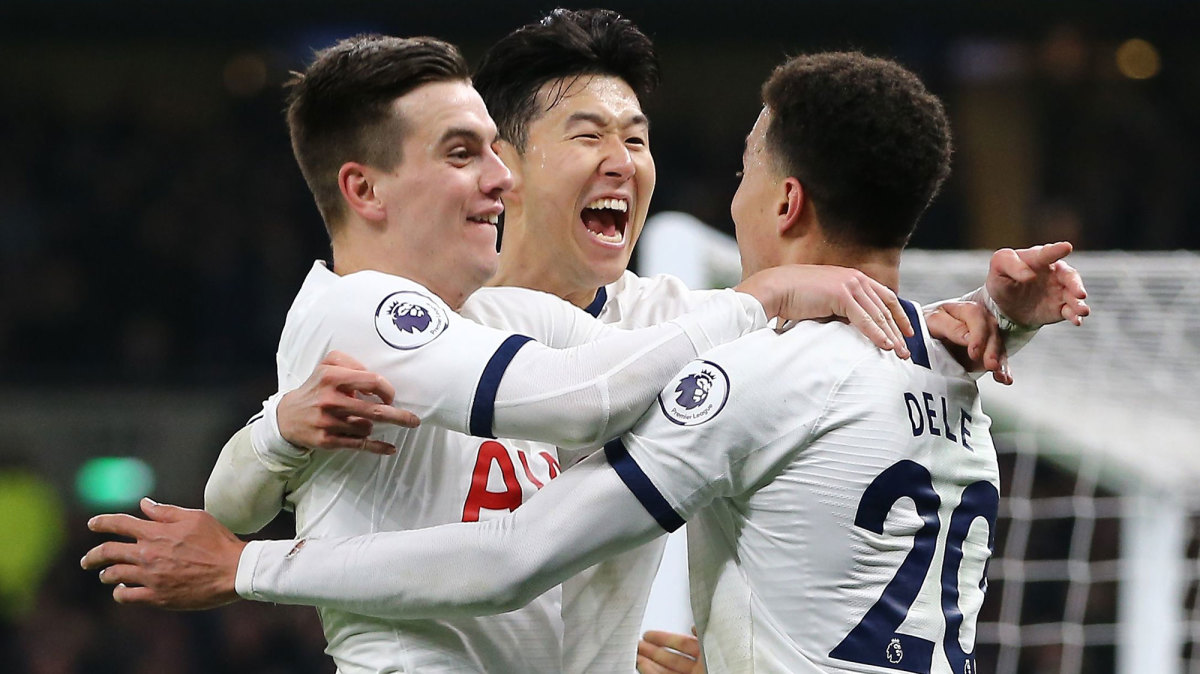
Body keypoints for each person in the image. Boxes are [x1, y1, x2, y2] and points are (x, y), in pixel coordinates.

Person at [83, 51, 1088, 674]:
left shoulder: (708, 345)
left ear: (783, 203)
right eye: (588, 134)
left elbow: (514, 547)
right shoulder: (926, 362)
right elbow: (241, 485)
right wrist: (270, 432)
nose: (633, 160)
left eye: (643, 137)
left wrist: (246, 566)